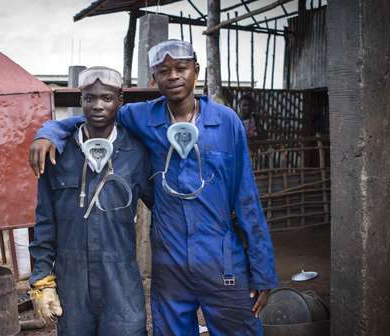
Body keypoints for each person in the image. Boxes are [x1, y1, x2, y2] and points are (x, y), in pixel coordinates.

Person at [29, 40, 278, 336]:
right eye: (163, 70)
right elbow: (93, 116)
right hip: (169, 261)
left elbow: (247, 199)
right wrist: (48, 132)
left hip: (221, 258)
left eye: (181, 68)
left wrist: (262, 270)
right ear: (154, 78)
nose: (173, 76)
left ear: (196, 71)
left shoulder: (226, 123)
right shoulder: (141, 117)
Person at [28, 66, 153, 336]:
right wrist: (41, 278)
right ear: (80, 101)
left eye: (107, 98)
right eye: (89, 98)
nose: (97, 105)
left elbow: (165, 211)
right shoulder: (57, 153)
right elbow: (44, 222)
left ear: (120, 101)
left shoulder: (136, 153)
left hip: (120, 277)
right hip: (72, 280)